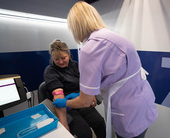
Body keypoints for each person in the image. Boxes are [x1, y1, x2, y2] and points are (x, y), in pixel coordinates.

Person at [53, 1, 158, 138]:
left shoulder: (90, 49)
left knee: (95, 125)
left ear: (75, 27)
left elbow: (85, 101)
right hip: (143, 103)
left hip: (128, 113)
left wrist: (65, 102)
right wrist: (84, 95)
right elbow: (115, 75)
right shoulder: (114, 37)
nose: (61, 61)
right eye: (57, 59)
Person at [44, 39, 106, 138]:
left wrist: (90, 95)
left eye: (63, 58)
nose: (60, 61)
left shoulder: (76, 66)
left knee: (99, 122)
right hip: (66, 108)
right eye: (56, 59)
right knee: (85, 133)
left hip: (79, 101)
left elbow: (86, 84)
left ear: (68, 53)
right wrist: (64, 124)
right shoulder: (51, 71)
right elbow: (59, 98)